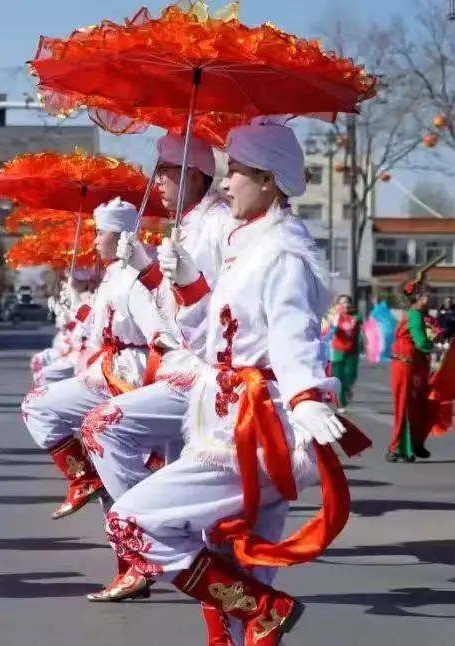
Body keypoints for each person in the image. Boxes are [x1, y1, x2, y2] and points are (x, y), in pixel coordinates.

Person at [103, 118, 365, 645]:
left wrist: (307, 394)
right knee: (234, 555)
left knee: (130, 521)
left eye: (237, 172)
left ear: (269, 180)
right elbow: (210, 339)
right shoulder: (248, 243)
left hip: (255, 428)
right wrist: (183, 281)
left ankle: (265, 609)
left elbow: (293, 335)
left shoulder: (282, 253)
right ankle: (256, 615)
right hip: (227, 418)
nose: (225, 183)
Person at [77, 135, 235, 608]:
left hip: (211, 379)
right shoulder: (187, 226)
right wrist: (148, 272)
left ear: (195, 175)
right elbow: (174, 309)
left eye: (166, 170)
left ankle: (147, 531)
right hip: (184, 370)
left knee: (102, 426)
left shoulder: (216, 225)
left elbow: (213, 312)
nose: (157, 181)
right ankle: (147, 534)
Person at [21, 199, 168, 521]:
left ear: (118, 235)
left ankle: (117, 500)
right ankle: (93, 483)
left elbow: (157, 332)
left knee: (42, 406)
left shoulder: (133, 276)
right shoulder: (115, 274)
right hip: (108, 363)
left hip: (127, 371)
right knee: (61, 419)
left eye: (101, 233)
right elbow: (100, 323)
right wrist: (77, 305)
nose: (95, 240)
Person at [388, 277, 435, 462]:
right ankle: (396, 448)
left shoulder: (418, 314)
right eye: (426, 296)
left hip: (413, 363)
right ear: (417, 297)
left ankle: (411, 447)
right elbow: (421, 340)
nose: (429, 299)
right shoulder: (414, 315)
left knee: (416, 406)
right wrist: (435, 347)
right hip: (404, 364)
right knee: (403, 406)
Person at [329, 294, 363, 412]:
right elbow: (332, 328)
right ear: (338, 305)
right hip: (337, 351)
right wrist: (336, 317)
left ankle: (347, 389)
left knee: (350, 375)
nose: (345, 305)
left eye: (347, 302)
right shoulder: (335, 317)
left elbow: (354, 327)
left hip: (352, 352)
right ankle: (341, 403)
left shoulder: (356, 317)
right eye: (342, 302)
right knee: (339, 378)